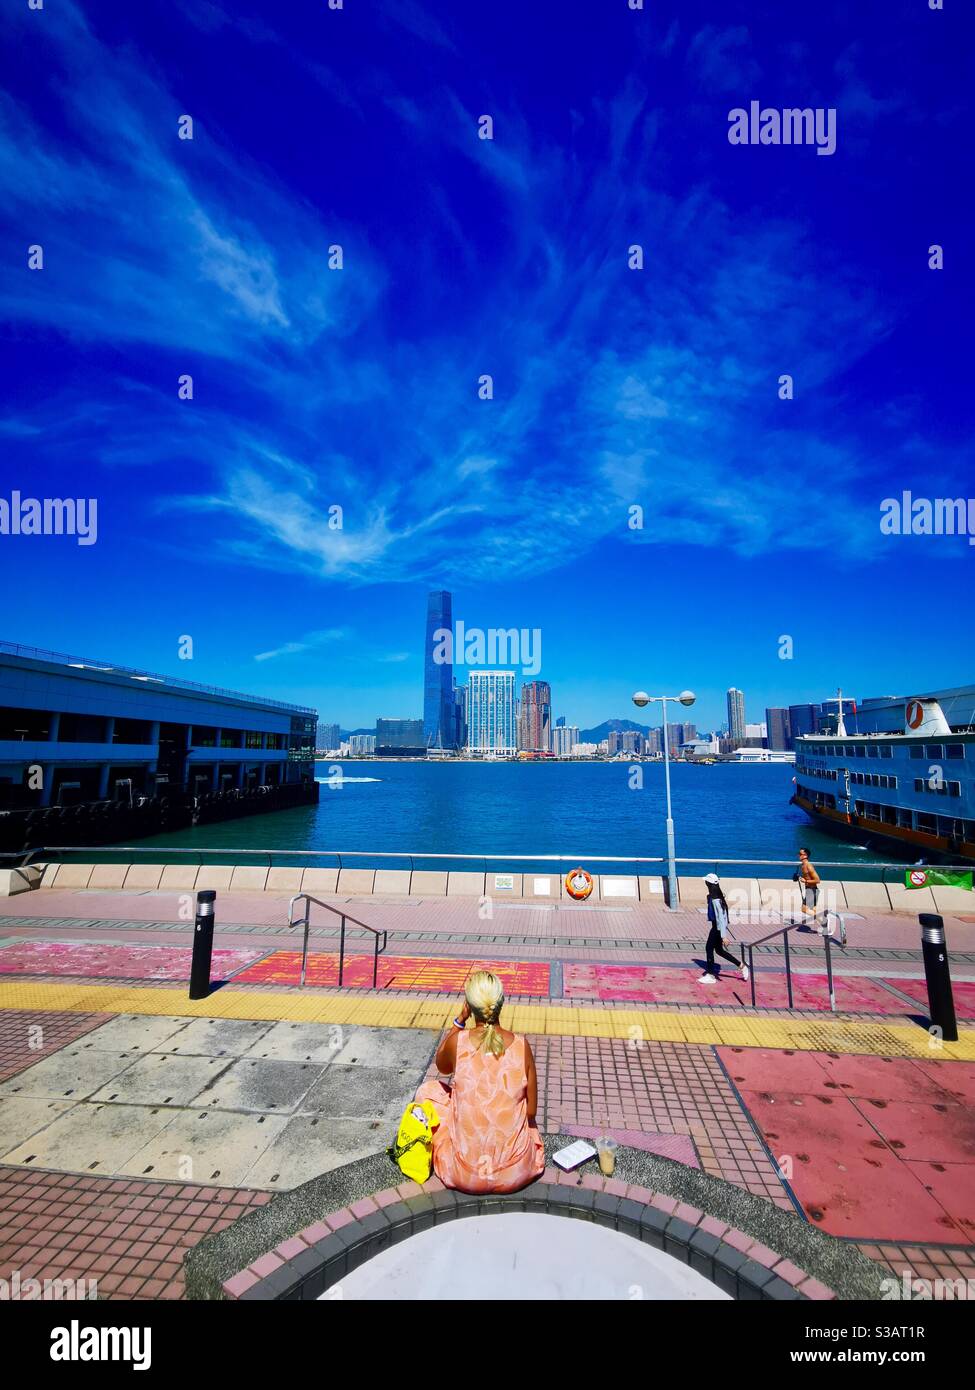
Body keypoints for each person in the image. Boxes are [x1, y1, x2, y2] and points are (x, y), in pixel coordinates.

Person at [413, 970, 545, 1193]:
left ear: (469, 1005)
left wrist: (459, 1021)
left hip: (464, 1174)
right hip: (515, 1172)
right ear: (501, 1003)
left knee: (429, 1091)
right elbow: (530, 1111)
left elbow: (441, 1066)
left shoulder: (459, 1042)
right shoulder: (522, 1046)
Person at [698, 873, 749, 985]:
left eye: (706, 882)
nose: (705, 883)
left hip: (717, 927)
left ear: (709, 884)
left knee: (709, 948)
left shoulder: (716, 899)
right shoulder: (716, 895)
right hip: (717, 926)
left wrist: (723, 935)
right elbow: (724, 915)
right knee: (719, 951)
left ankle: (711, 975)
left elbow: (721, 917)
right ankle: (742, 966)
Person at [795, 847, 824, 925]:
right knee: (813, 911)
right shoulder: (802, 865)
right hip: (810, 889)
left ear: (805, 855)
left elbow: (818, 880)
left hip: (812, 890)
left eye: (800, 854)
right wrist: (799, 877)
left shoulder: (808, 866)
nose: (798, 855)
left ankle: (823, 921)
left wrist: (806, 881)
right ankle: (825, 928)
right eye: (798, 854)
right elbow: (807, 877)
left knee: (804, 909)